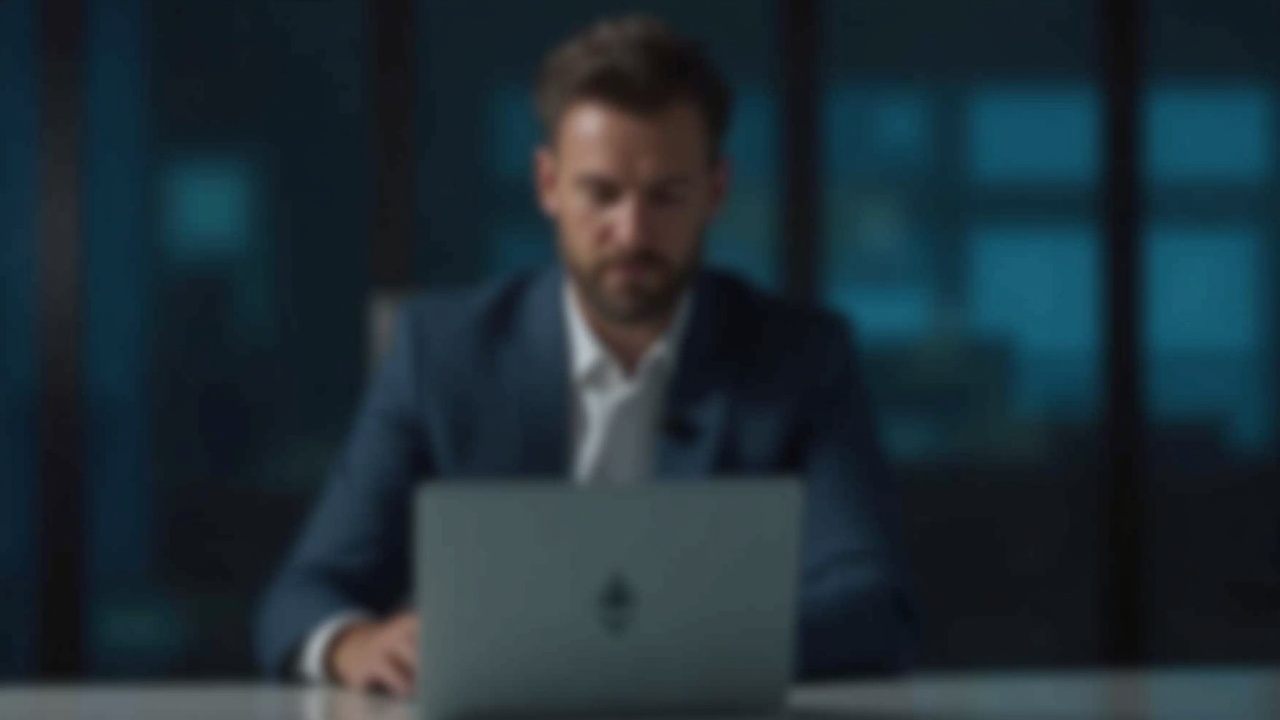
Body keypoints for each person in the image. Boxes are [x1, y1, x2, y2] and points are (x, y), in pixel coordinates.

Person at [255, 14, 917, 696]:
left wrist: (648, 653)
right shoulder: (441, 354)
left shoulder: (801, 356)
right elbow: (302, 596)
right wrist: (353, 643)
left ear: (716, 191)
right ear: (548, 185)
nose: (631, 232)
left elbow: (872, 605)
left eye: (666, 196)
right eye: (601, 193)